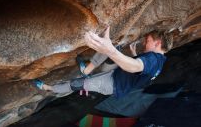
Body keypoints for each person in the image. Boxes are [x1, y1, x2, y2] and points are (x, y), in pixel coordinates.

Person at [34, 27, 173, 98]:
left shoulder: (153, 60)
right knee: (114, 46)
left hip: (111, 84)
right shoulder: (159, 62)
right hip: (118, 76)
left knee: (76, 84)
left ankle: (49, 88)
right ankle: (87, 70)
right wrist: (135, 55)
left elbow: (136, 67)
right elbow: (142, 70)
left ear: (157, 43)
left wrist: (109, 49)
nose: (145, 43)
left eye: (148, 41)